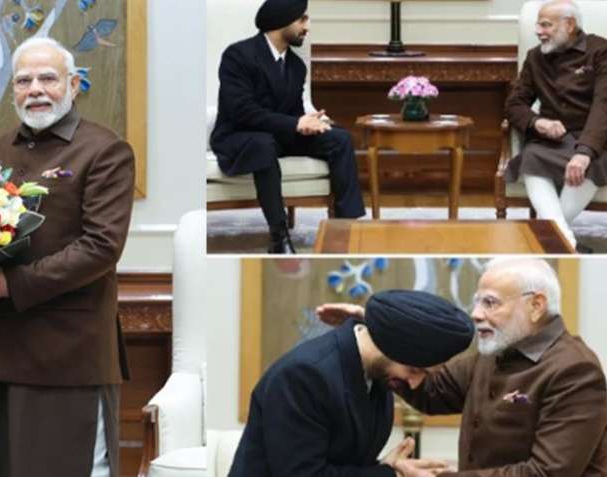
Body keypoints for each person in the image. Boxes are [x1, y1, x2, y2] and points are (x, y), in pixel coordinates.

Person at [0, 37, 134, 477]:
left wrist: (7, 284)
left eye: (48, 78)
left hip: (69, 355)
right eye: (23, 81)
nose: (36, 90)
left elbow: (101, 247)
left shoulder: (105, 149)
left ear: (74, 84)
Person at [320, 258, 607, 476]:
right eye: (477, 302)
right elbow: (431, 390)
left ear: (536, 305)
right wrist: (380, 334)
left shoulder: (575, 371)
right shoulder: (496, 351)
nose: (476, 314)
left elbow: (546, 472)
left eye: (490, 303)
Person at [229, 290, 475, 477]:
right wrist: (387, 473)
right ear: (391, 344)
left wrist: (391, 468)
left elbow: (345, 462)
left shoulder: (377, 374)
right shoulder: (303, 376)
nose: (414, 384)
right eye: (414, 370)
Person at [210, 0, 365, 254]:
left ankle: (346, 228)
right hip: (239, 136)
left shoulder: (296, 66)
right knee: (263, 144)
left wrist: (310, 122)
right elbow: (241, 112)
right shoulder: (238, 55)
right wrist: (295, 123)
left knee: (339, 138)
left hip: (278, 135)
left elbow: (292, 113)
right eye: (302, 19)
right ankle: (279, 237)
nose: (307, 27)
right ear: (282, 20)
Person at [504, 0, 607, 253]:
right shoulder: (535, 57)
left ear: (569, 25)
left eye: (545, 25)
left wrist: (584, 152)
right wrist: (537, 122)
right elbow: (514, 104)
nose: (538, 31)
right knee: (531, 156)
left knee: (595, 161)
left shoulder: (600, 51)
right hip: (553, 140)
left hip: (595, 136)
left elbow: (603, 105)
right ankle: (565, 242)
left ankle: (551, 240)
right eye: (538, 25)